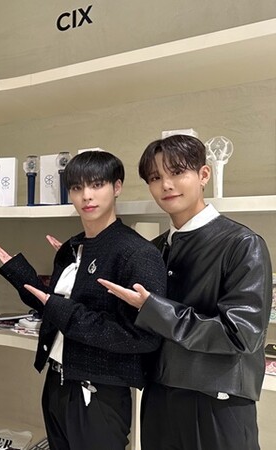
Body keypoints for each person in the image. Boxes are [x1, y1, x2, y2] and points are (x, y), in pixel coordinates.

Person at [98, 134, 272, 450]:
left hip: (216, 400)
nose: (166, 185)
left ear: (203, 175)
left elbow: (242, 335)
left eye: (177, 172)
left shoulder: (243, 244)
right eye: (155, 177)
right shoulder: (153, 249)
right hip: (159, 395)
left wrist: (153, 309)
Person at [0, 151, 166, 450]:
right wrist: (22, 277)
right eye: (76, 187)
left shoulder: (137, 253)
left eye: (97, 185)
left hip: (98, 392)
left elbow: (143, 337)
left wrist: (60, 308)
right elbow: (56, 309)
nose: (86, 195)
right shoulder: (73, 247)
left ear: (117, 187)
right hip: (57, 381)